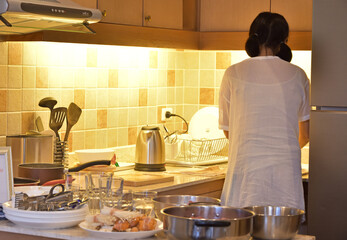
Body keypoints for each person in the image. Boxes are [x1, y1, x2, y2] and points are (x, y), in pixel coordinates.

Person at [218, 12, 310, 211]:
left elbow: (228, 131)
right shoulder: (299, 75)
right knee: (283, 232)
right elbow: (305, 134)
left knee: (241, 229)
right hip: (285, 180)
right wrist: (279, 152)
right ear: (284, 41)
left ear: (252, 36)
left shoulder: (232, 73)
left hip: (244, 178)